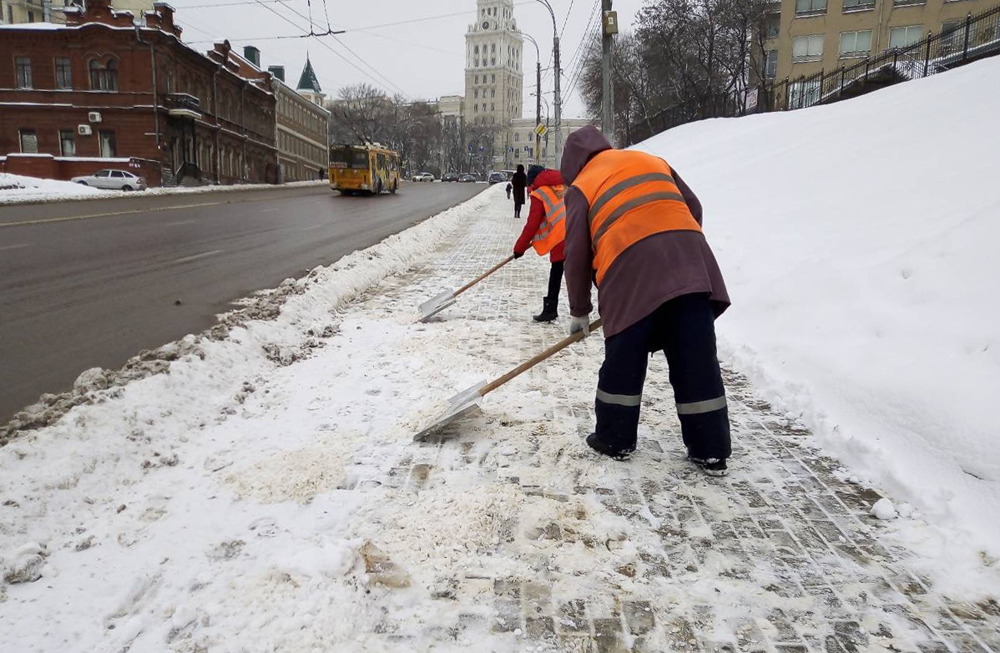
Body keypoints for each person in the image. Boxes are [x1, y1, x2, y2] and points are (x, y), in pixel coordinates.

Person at [560, 126, 732, 476]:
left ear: (572, 166)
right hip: (690, 264)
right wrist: (675, 246)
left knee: (625, 357)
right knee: (695, 357)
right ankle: (710, 449)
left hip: (630, 269)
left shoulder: (582, 185)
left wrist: (579, 310)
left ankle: (615, 439)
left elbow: (575, 252)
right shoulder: (651, 160)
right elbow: (693, 206)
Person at [513, 164, 566, 323]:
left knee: (556, 272)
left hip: (562, 235)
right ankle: (613, 306)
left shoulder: (540, 193)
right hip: (579, 230)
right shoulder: (562, 184)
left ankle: (550, 310)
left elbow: (532, 225)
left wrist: (519, 249)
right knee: (588, 271)